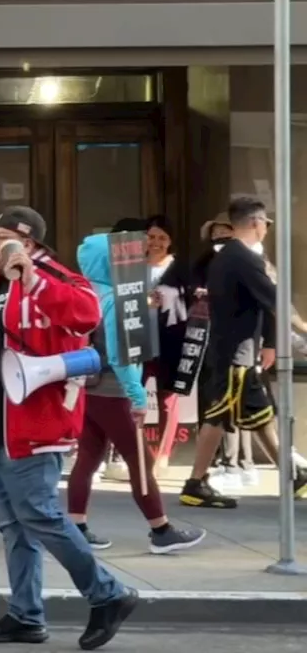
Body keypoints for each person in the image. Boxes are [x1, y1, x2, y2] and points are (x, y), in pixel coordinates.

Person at [0, 206, 137, 649]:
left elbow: (86, 314)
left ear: (29, 243)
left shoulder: (56, 277)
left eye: (4, 239)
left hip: (32, 420)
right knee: (14, 523)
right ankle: (25, 614)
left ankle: (107, 593)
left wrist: (31, 277)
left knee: (39, 513)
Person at [70, 231, 205, 554]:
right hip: (113, 389)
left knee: (88, 456)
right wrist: (138, 395)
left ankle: (75, 525)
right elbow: (121, 353)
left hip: (83, 385)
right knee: (139, 460)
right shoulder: (115, 299)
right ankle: (160, 529)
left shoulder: (84, 291)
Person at [180, 198, 307, 508]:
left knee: (257, 413)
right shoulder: (242, 258)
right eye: (265, 223)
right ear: (256, 223)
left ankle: (289, 476)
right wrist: (302, 326)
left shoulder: (227, 256)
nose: (266, 229)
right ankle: (196, 483)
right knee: (219, 414)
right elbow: (274, 299)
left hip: (237, 350)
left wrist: (268, 342)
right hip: (235, 352)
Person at [142, 215, 181, 472]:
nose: (156, 242)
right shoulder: (133, 267)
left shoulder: (179, 268)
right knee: (132, 396)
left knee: (168, 401)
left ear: (170, 242)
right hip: (139, 341)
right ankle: (135, 454)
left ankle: (163, 456)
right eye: (152, 236)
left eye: (162, 238)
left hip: (169, 342)